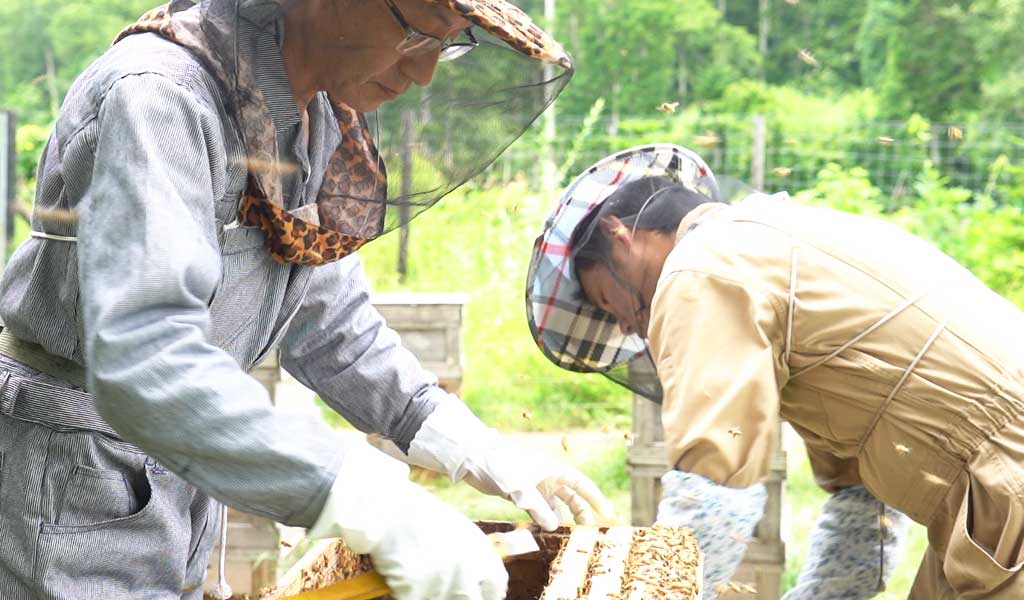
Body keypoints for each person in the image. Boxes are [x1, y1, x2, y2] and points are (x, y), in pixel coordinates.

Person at [0, 1, 612, 599]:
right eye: (417, 34)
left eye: (448, 42)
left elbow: (329, 321)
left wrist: (468, 444)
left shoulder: (310, 116)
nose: (423, 73)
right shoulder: (159, 97)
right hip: (75, 476)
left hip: (183, 463)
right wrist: (362, 494)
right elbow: (147, 356)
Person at [526, 144, 1024, 599]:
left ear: (620, 235)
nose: (627, 324)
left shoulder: (701, 267)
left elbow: (713, 493)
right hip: (984, 482)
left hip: (1003, 471)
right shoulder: (766, 244)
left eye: (606, 300)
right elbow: (863, 512)